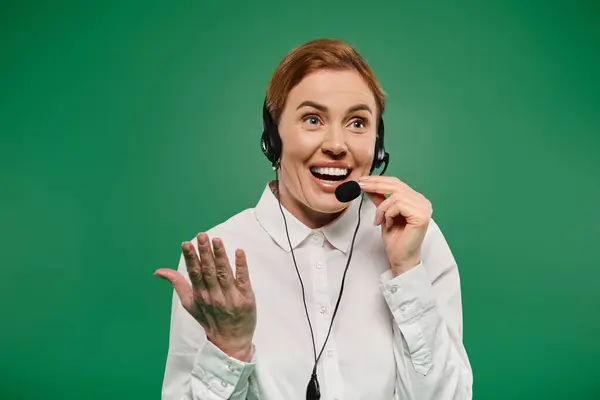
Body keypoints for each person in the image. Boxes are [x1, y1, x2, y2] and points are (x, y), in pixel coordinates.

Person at [155, 38, 473, 400]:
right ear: (272, 138)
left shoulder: (418, 241)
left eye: (357, 122)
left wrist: (407, 271)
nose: (337, 144)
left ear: (378, 144)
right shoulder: (215, 259)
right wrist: (230, 349)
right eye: (312, 119)